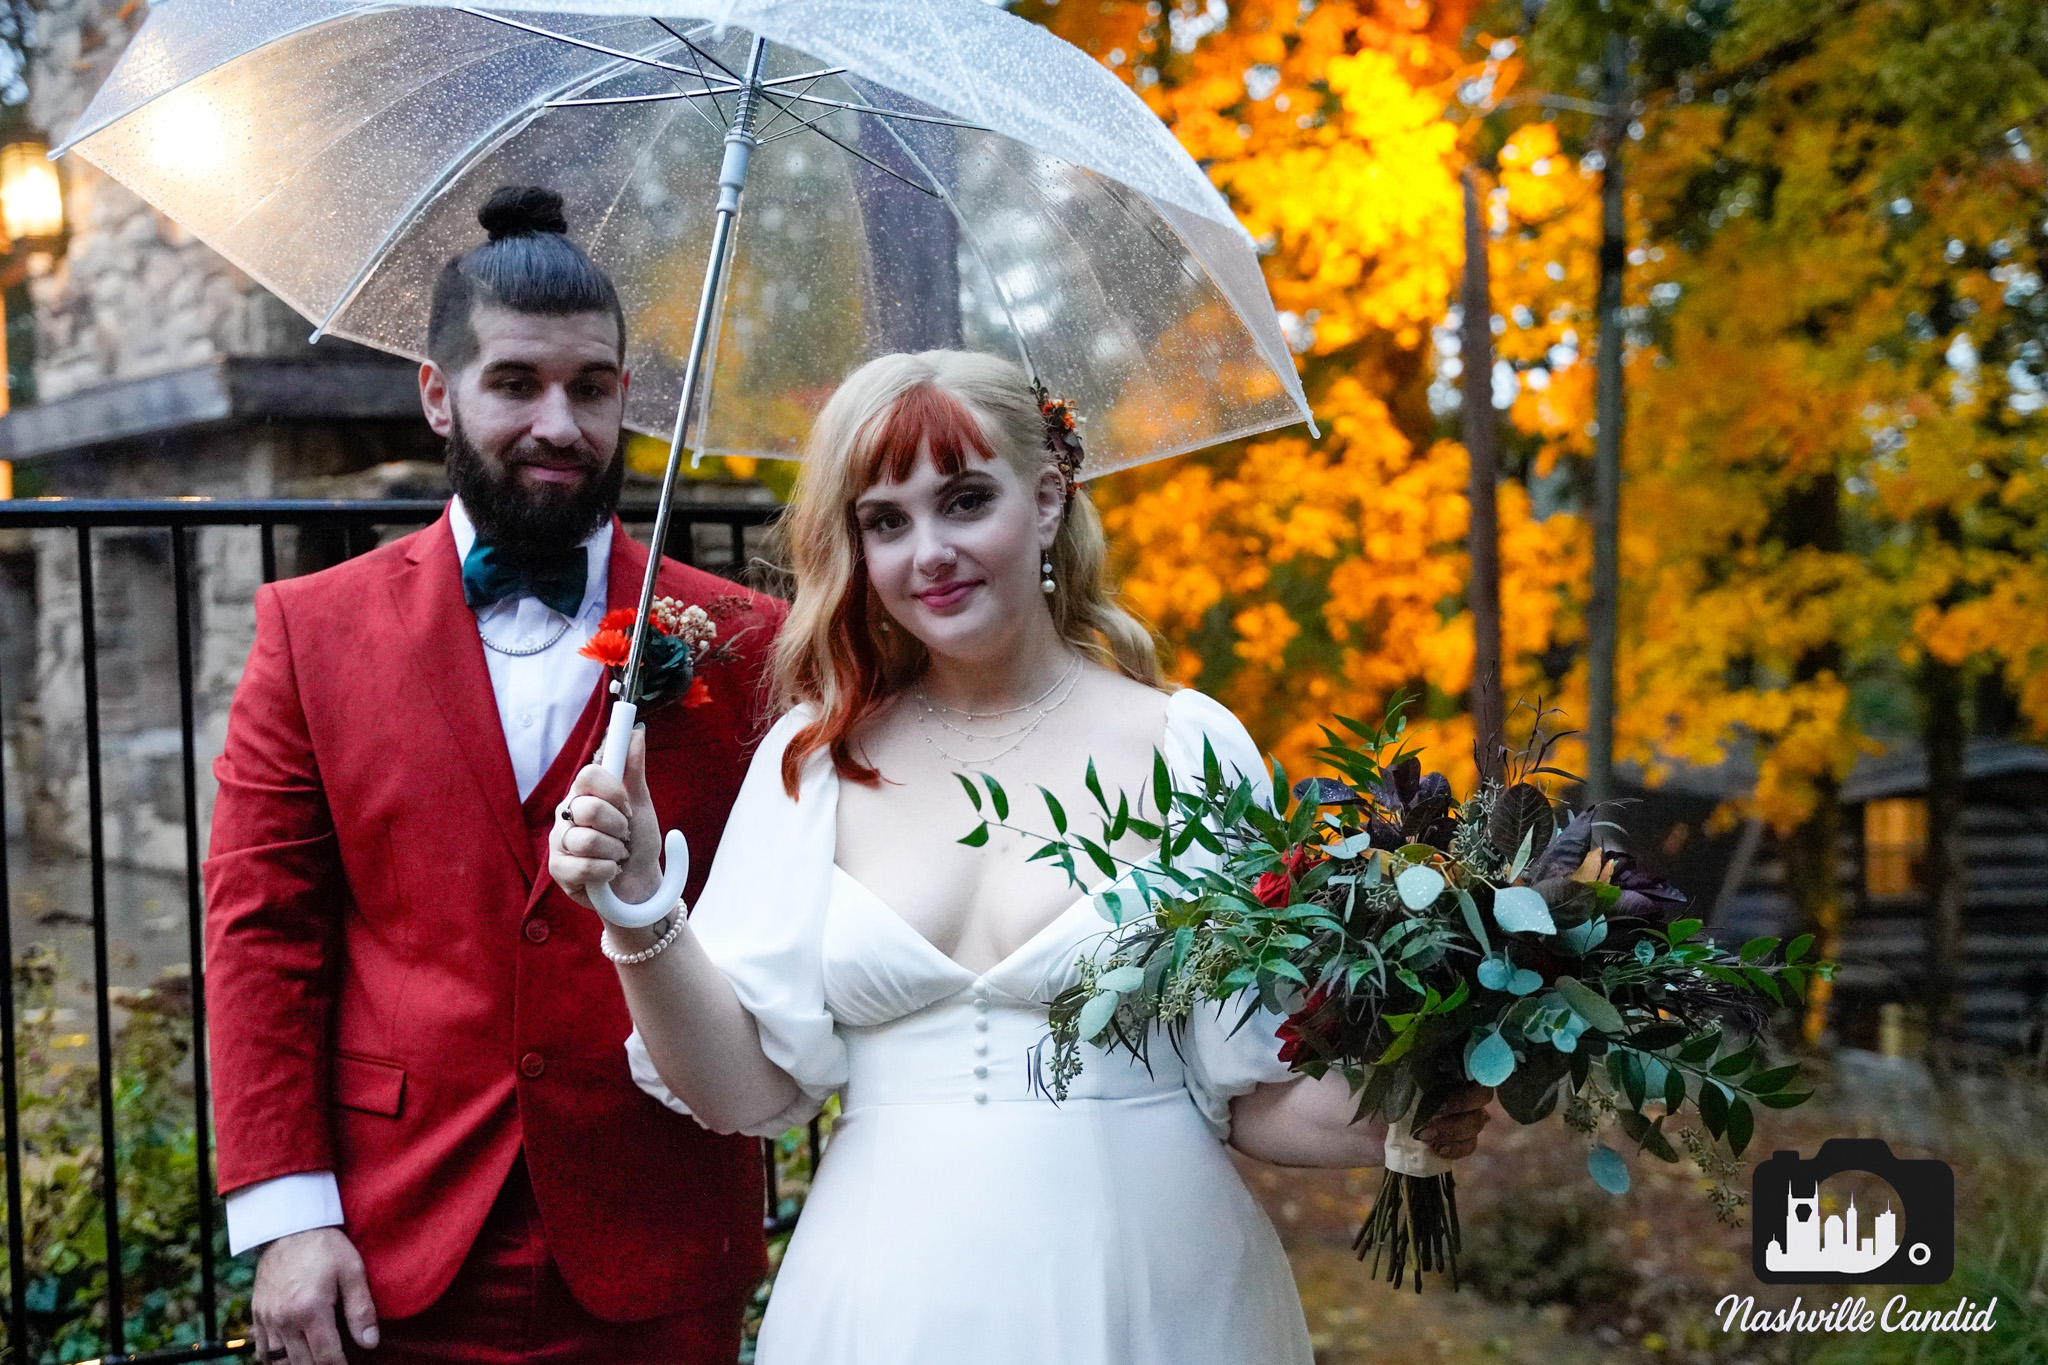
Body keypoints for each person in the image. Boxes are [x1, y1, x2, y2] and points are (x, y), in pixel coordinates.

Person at [550, 349, 1491, 1363]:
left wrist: (1411, 1102)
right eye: (885, 521)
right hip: (881, 1305)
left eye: (964, 501)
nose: (929, 553)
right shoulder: (812, 764)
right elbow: (737, 1094)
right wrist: (638, 906)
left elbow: (1254, 1098)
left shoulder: (1186, 745)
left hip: (1155, 1296)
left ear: (1045, 500)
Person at [205, 186, 785, 1365]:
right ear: (439, 394)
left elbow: (788, 919)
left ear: (626, 395)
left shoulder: (742, 640)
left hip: (661, 1234)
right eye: (515, 383)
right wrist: (288, 1216)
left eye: (591, 387)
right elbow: (262, 930)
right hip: (392, 1247)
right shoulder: (309, 632)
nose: (557, 424)